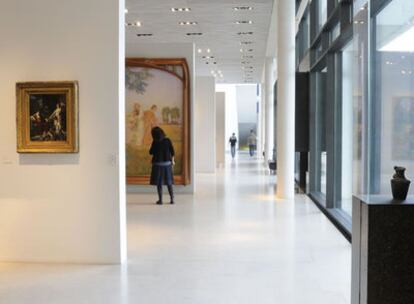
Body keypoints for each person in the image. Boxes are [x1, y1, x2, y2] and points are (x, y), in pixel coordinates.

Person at [149, 126, 175, 205]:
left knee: (159, 183)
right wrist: (173, 161)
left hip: (157, 165)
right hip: (167, 165)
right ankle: (172, 199)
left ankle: (160, 200)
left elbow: (150, 152)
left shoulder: (155, 142)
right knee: (169, 182)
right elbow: (172, 152)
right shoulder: (168, 140)